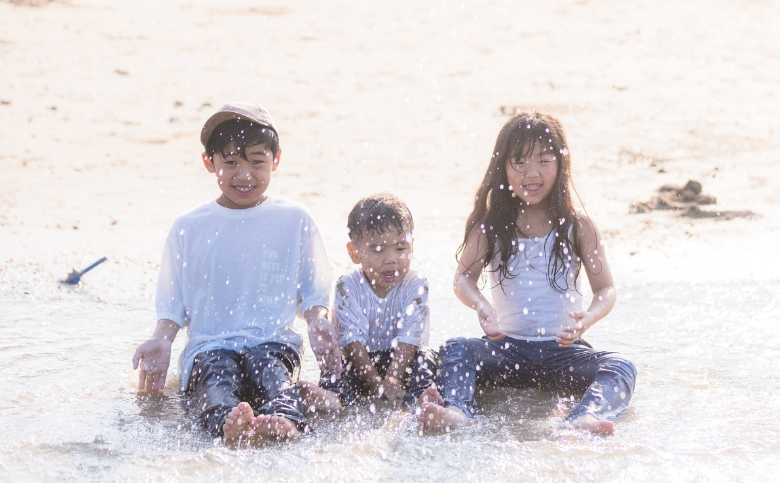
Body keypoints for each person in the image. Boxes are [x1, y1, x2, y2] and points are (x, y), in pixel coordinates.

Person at [131, 102, 341, 446]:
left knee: (273, 376)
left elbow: (314, 294)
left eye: (257, 161)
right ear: (208, 162)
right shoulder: (189, 227)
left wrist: (319, 320)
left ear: (276, 159)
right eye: (230, 162)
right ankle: (228, 425)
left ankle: (284, 421)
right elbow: (173, 305)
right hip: (210, 346)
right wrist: (161, 340)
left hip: (272, 342)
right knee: (214, 382)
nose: (244, 175)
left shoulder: (294, 219)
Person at [419, 112, 637, 435]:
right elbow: (462, 278)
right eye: (519, 162)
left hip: (562, 354)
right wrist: (481, 305)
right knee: (456, 348)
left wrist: (587, 319)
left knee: (621, 366)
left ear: (561, 165)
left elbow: (606, 290)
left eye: (544, 161)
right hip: (508, 352)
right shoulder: (491, 228)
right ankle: (458, 411)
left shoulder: (579, 227)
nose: (531, 174)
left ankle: (583, 417)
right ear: (503, 166)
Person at [318, 193, 442, 409]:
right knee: (336, 365)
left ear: (412, 246)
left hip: (404, 360)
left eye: (401, 248)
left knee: (428, 358)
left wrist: (392, 380)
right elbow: (352, 342)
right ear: (354, 252)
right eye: (378, 250)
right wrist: (377, 385)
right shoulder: (348, 286)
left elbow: (409, 337)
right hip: (361, 363)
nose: (391, 259)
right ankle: (335, 398)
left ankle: (421, 396)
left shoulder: (416, 284)